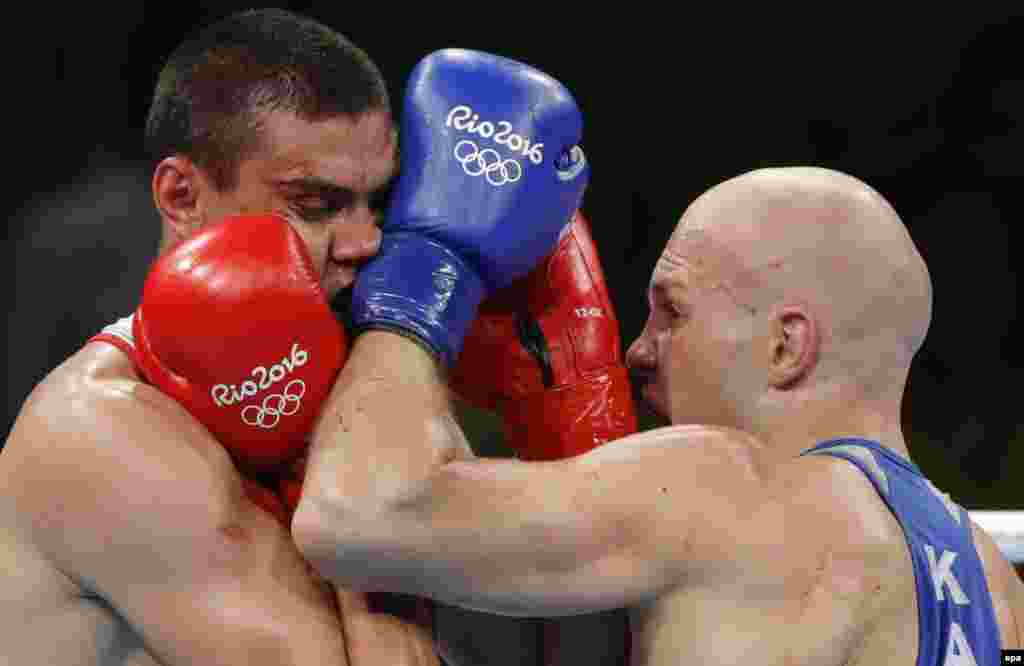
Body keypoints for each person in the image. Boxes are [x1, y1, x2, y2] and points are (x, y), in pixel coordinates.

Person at [290, 164, 1024, 664]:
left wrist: (430, 271)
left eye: (672, 312)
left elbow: (354, 516)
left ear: (784, 345)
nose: (636, 351)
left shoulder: (725, 487)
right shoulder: (998, 586)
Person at [0, 8, 440, 665]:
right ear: (181, 196)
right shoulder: (96, 434)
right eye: (316, 205)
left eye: (375, 204)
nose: (365, 242)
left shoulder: (342, 376)